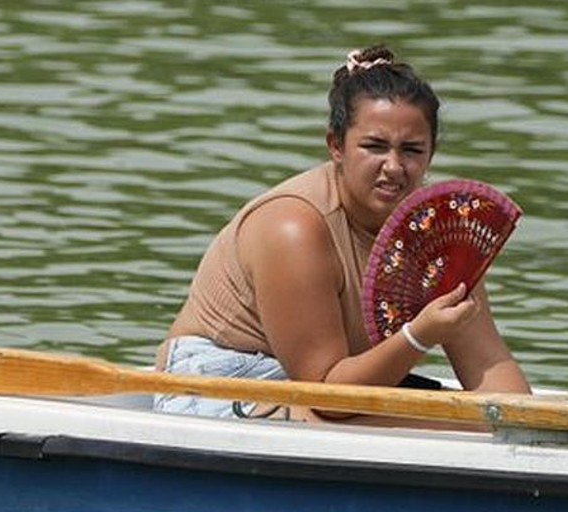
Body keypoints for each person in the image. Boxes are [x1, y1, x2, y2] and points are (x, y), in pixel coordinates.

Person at [155, 45, 530, 422]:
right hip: (220, 384)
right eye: (374, 146)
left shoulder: (438, 236)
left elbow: (492, 371)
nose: (394, 167)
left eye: (412, 150)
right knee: (439, 425)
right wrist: (419, 336)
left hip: (325, 386)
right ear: (336, 145)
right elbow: (326, 396)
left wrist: (524, 424)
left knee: (480, 420)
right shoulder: (293, 227)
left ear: (430, 156)